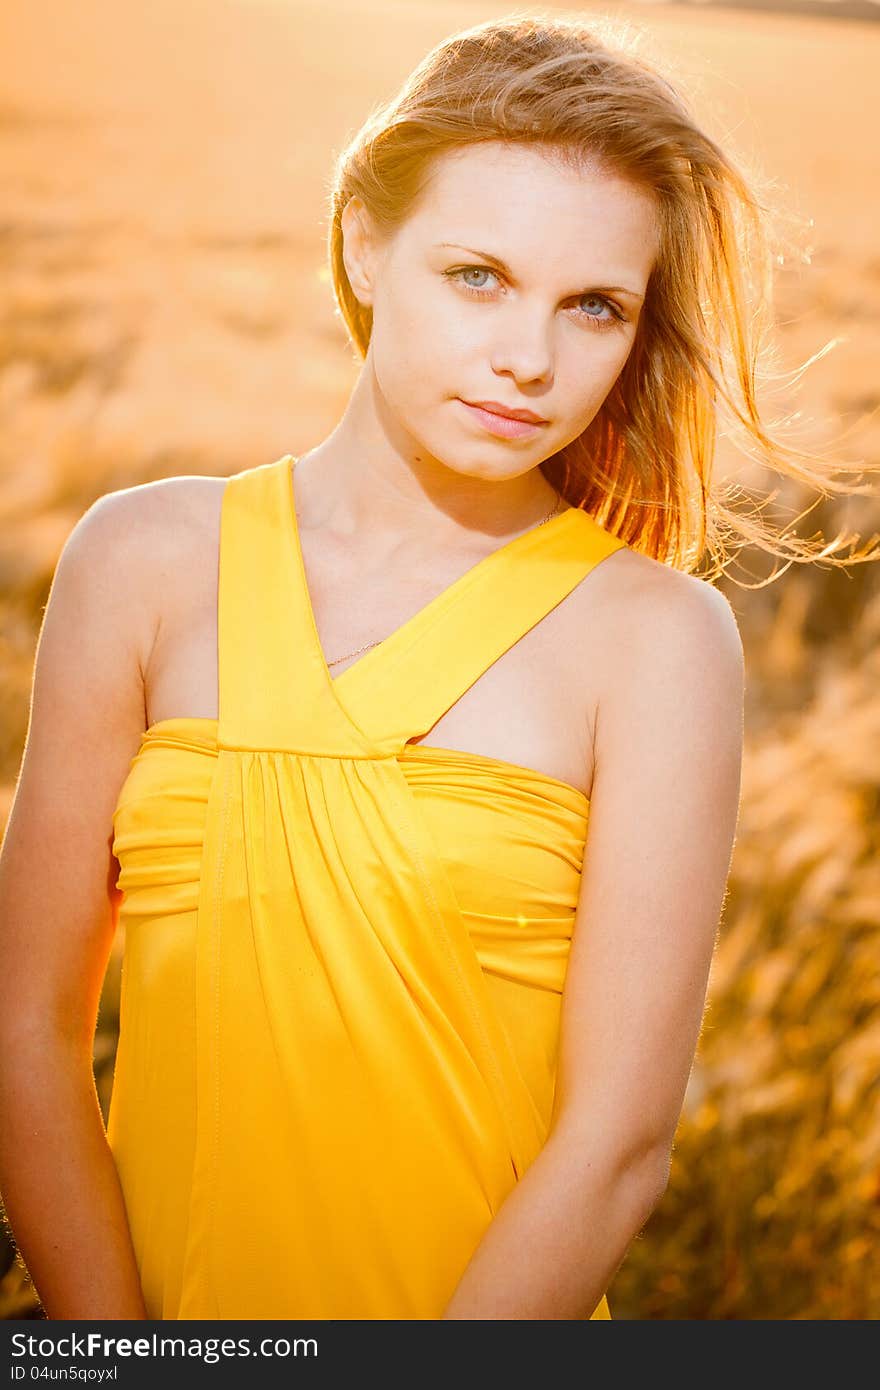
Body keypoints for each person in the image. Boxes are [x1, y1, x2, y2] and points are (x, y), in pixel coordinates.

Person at [1, 13, 877, 1323]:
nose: (531, 356)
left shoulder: (656, 641)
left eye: (595, 305)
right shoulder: (141, 559)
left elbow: (620, 1145)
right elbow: (25, 1033)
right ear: (364, 239)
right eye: (479, 275)